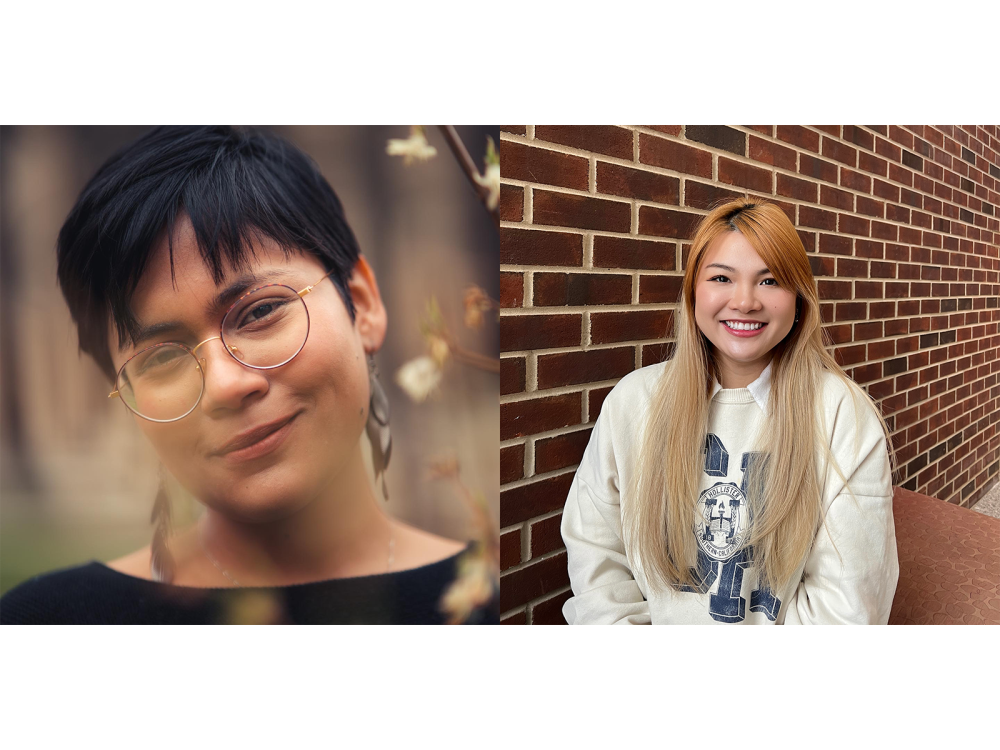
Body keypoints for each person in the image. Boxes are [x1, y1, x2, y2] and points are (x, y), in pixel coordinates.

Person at [0, 125, 497, 625]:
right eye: (162, 358)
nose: (225, 385)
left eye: (259, 313)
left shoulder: (501, 600)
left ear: (362, 305)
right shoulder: (45, 616)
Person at [561, 197, 898, 625]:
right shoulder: (632, 403)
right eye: (722, 277)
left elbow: (851, 602)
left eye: (770, 281)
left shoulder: (842, 415)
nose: (744, 301)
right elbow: (597, 560)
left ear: (798, 300)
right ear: (693, 292)